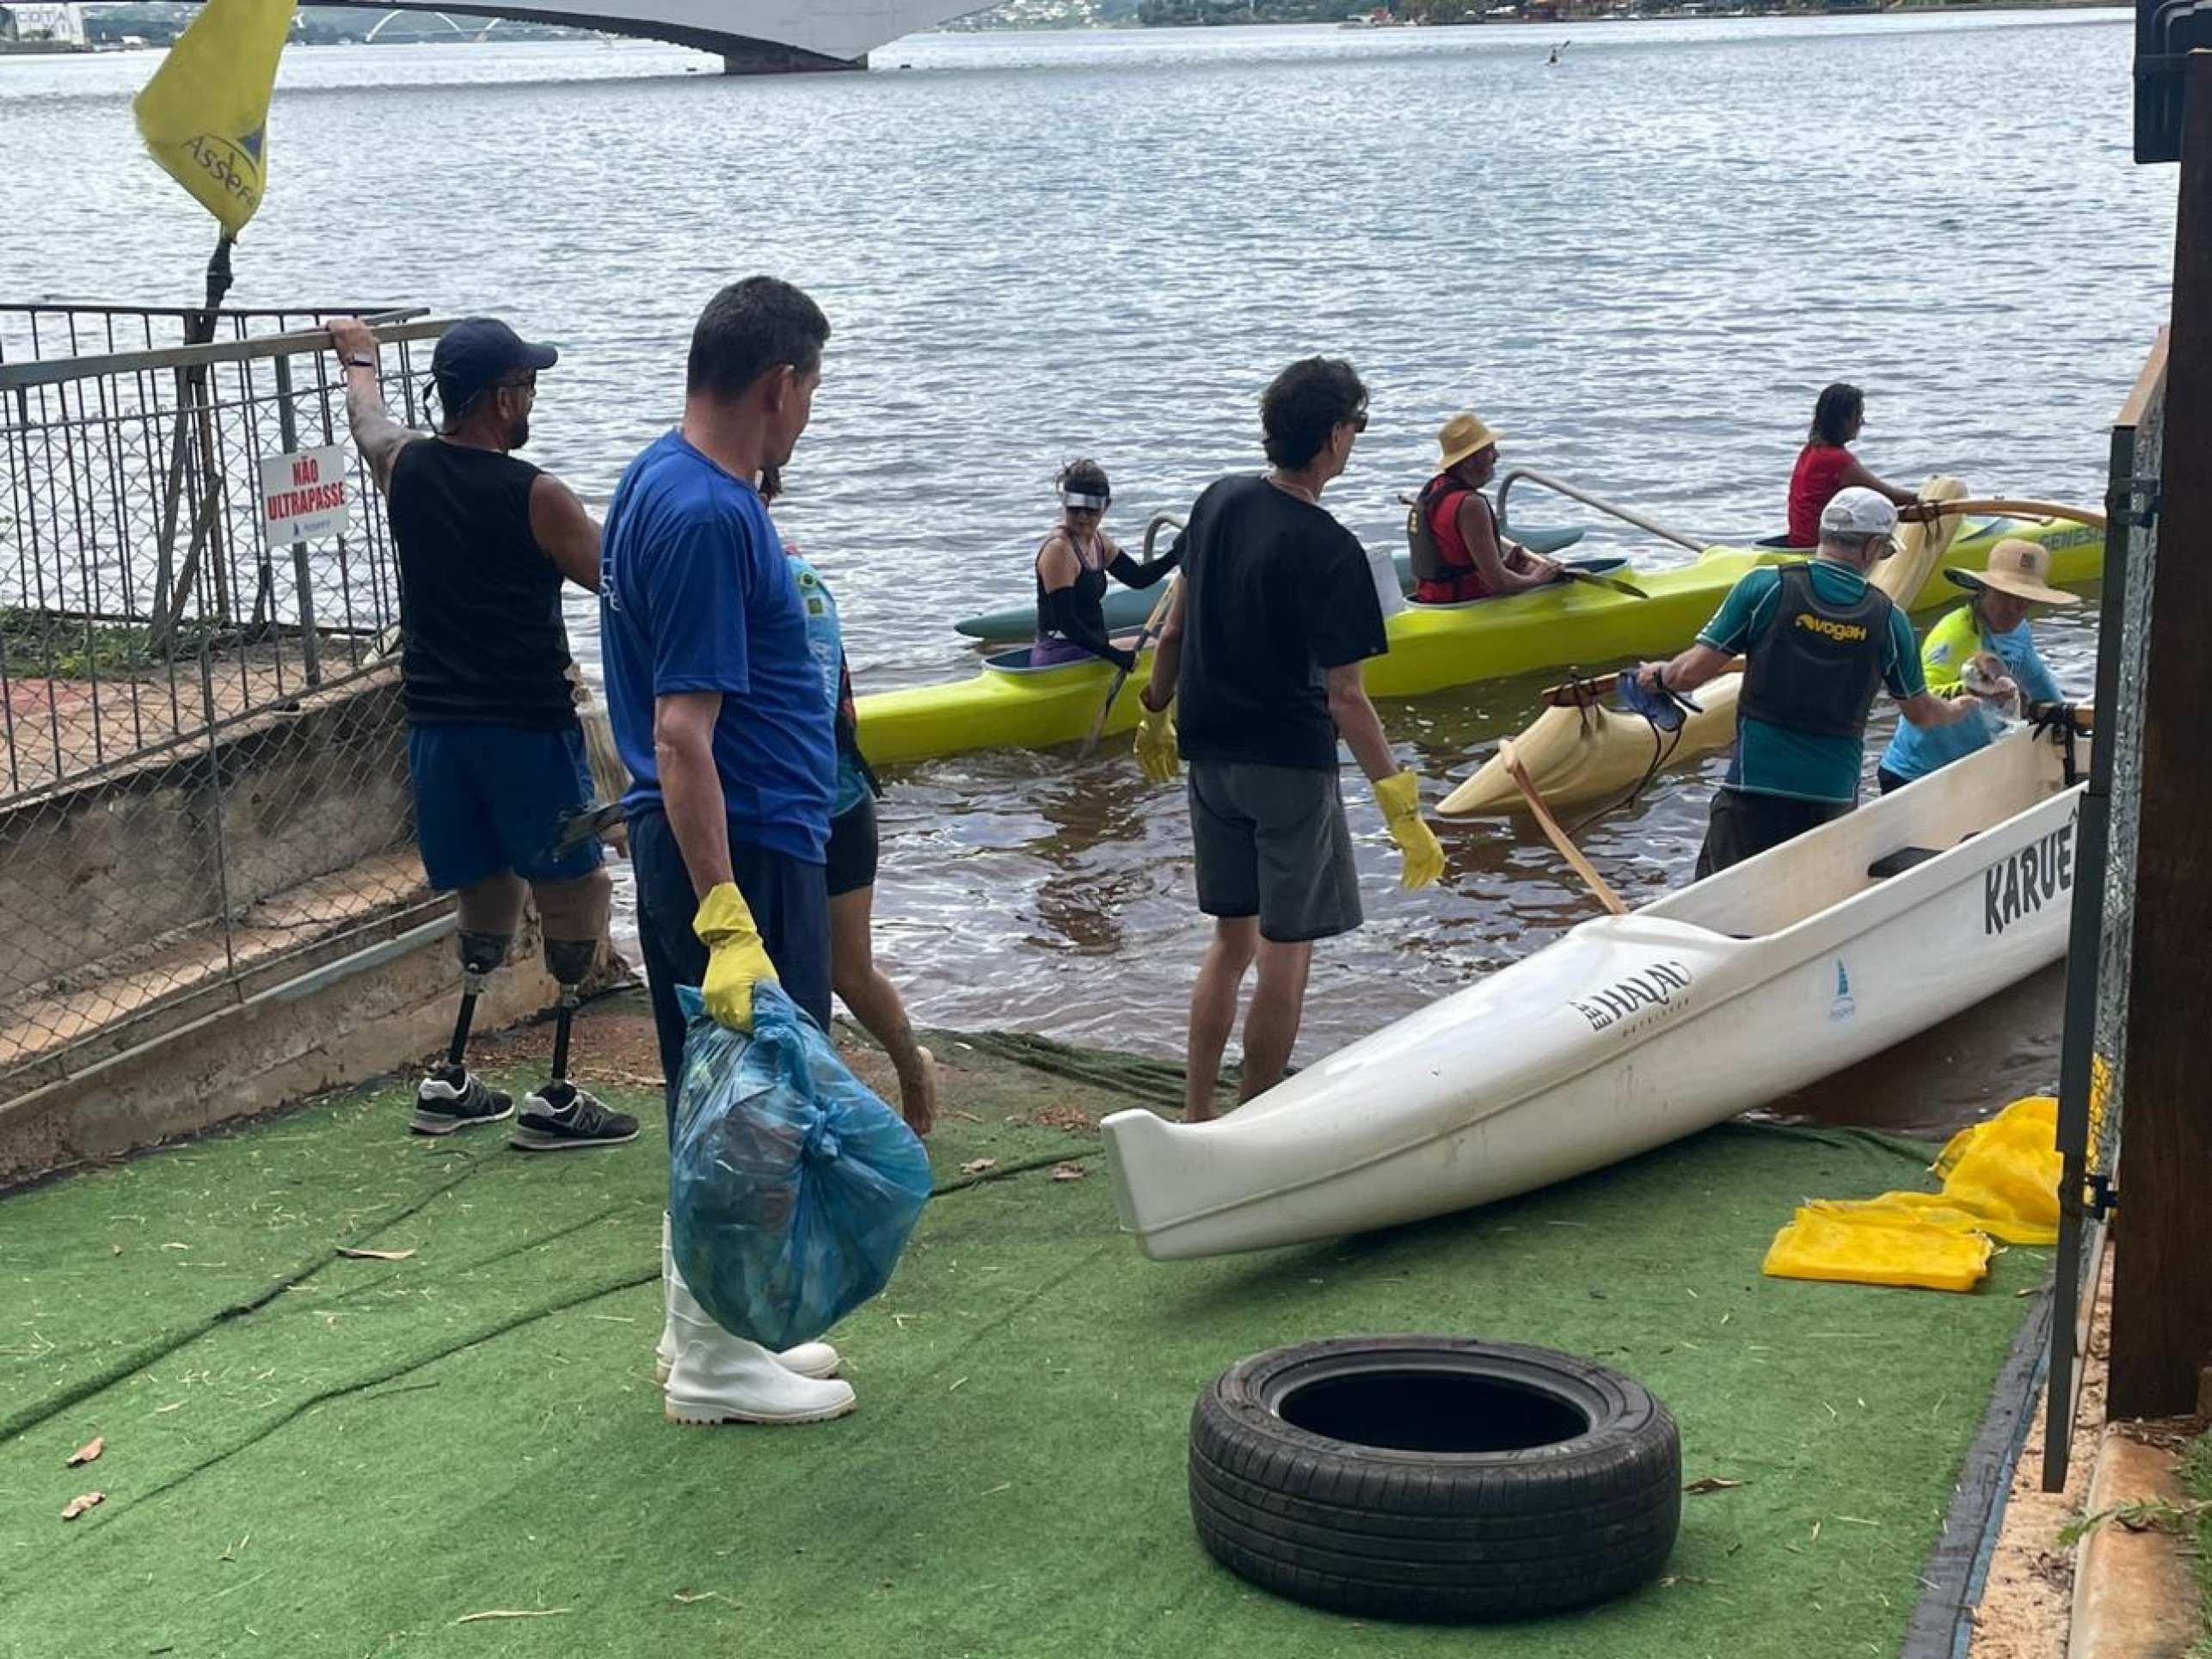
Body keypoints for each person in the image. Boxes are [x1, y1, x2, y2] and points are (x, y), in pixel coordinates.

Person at [599, 277, 852, 1427]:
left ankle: (707, 1327)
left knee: (724, 1096)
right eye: (811, 391)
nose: (808, 414)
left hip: (740, 834)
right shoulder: (704, 512)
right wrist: (729, 915)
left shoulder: (664, 475)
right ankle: (715, 1365)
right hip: (732, 845)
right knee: (749, 1107)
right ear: (776, 384)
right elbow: (678, 732)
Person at [329, 315, 636, 1153]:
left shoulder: (406, 469)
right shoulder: (537, 494)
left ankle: (451, 1080)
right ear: (502, 399)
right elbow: (621, 577)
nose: (533, 397)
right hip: (526, 729)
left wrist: (358, 357)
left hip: (436, 730)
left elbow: (368, 420)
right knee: (576, 892)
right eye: (527, 385)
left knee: (485, 890)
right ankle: (559, 1095)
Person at [1134, 358, 1445, 1123]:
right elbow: (1348, 699)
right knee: (1286, 951)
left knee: (1228, 943)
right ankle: (1254, 1120)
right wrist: (1403, 810)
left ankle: (1198, 1112)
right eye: (1357, 428)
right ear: (1335, 435)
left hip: (1208, 755)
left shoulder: (1217, 500)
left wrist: (1153, 711)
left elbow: (1173, 627)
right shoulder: (1331, 550)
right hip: (1287, 766)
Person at [1635, 488, 1980, 876]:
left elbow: (1689, 674)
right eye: (1884, 552)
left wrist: (1657, 675)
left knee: (1713, 910)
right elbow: (1922, 713)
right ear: (1870, 548)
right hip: (1830, 798)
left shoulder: (1765, 587)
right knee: (1808, 907)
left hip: (1754, 789)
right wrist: (1959, 708)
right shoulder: (1889, 619)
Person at [763, 467, 937, 1134]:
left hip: (829, 804)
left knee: (845, 970)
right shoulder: (718, 577)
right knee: (775, 971)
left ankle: (910, 1063)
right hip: (768, 810)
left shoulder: (798, 585)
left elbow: (805, 711)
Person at [1876, 538, 2079, 793]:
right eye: (2006, 596)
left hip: (1967, 769)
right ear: (1984, 589)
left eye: (2025, 600)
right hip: (1914, 773)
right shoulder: (1955, 634)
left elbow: (2038, 680)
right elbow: (1920, 700)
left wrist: (2071, 723)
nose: (2015, 609)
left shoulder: (2020, 632)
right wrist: (1972, 688)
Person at [1030, 458, 1178, 667]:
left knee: (1159, 642)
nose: (1082, 517)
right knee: (1162, 648)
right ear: (1064, 503)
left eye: (1091, 509)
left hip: (1091, 648)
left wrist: (1178, 552)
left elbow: (1138, 578)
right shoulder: (1059, 550)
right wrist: (1115, 657)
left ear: (1106, 506)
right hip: (1061, 656)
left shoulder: (1100, 541)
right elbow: (1069, 624)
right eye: (1074, 508)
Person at [1406, 412, 1564, 604]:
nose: (1497, 456)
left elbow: (1456, 560)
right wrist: (1537, 579)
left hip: (1432, 601)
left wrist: (1505, 566)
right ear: (1470, 460)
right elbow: (1499, 584)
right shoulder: (1471, 504)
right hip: (1462, 606)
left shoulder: (1433, 490)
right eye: (1490, 450)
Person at [1785, 383, 1940, 548]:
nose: (1862, 422)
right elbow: (1889, 496)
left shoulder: (1811, 450)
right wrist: (1925, 500)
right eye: (1858, 415)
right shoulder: (1835, 459)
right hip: (1816, 545)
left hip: (1799, 541)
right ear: (1841, 419)